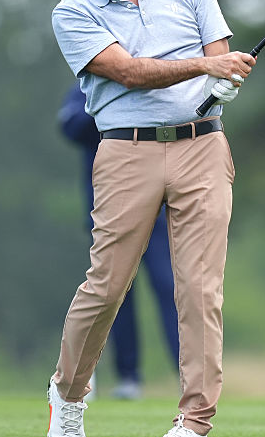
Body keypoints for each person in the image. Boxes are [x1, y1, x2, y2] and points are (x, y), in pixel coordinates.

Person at [45, 0, 255, 437]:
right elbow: (131, 72)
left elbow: (221, 53)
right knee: (107, 285)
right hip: (126, 150)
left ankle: (194, 428)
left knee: (200, 290)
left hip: (202, 146)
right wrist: (209, 65)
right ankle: (68, 395)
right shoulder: (73, 10)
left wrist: (224, 79)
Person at [58, 83, 180, 400]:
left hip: (157, 208)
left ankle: (187, 375)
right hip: (107, 208)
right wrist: (111, 106)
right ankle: (129, 377)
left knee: (169, 286)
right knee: (114, 292)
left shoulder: (152, 80)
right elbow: (70, 126)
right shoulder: (92, 84)